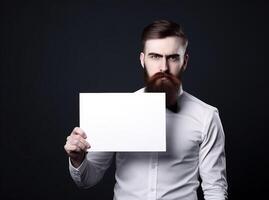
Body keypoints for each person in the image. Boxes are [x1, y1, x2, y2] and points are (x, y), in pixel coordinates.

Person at [64, 19, 228, 200]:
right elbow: (87, 179)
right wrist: (77, 159)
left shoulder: (206, 116)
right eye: (155, 56)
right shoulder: (117, 111)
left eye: (173, 57)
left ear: (185, 61)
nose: (163, 67)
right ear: (143, 60)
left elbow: (215, 189)